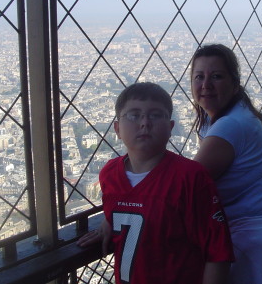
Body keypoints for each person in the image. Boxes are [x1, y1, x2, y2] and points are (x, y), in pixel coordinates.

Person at [78, 82, 234, 284]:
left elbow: (217, 251)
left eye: (155, 115)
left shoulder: (191, 177)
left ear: (170, 128)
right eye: (134, 115)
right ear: (117, 128)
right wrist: (109, 221)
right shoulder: (109, 174)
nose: (144, 123)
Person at [190, 44, 262, 284]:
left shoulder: (230, 126)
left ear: (234, 83)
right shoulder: (238, 116)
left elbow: (185, 186)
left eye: (216, 76)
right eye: (199, 76)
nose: (205, 84)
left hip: (249, 249)